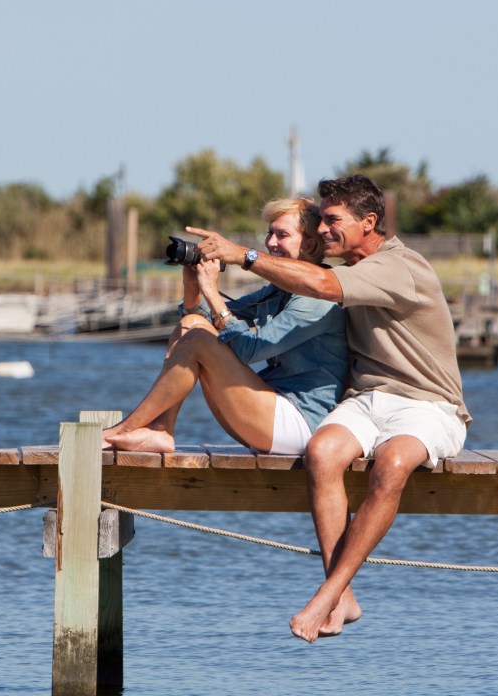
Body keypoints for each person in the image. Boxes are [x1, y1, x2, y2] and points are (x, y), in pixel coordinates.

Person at [186, 174, 470, 642]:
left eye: (332, 220)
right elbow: (285, 296)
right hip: (366, 400)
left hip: (428, 404)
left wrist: (244, 255)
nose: (322, 230)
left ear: (370, 222)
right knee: (321, 453)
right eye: (320, 220)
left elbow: (319, 284)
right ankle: (345, 598)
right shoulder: (350, 269)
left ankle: (328, 595)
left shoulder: (399, 267)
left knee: (393, 461)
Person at [102, 197, 349, 456]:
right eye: (269, 233)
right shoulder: (279, 290)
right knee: (192, 325)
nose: (271, 243)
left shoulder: (316, 298)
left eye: (282, 235)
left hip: (301, 424)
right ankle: (162, 429)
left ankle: (123, 430)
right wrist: (193, 284)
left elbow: (250, 351)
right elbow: (202, 319)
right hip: (267, 410)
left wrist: (211, 290)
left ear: (309, 243)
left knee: (198, 339)